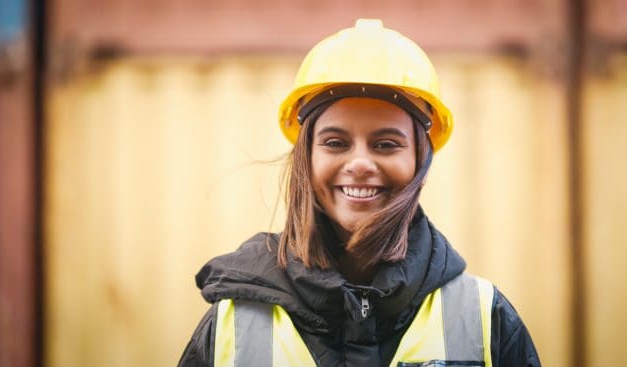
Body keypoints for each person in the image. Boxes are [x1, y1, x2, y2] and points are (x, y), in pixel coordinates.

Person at [179, 19, 540, 367]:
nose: (361, 163)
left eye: (385, 144)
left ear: (421, 161)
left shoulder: (485, 321)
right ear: (306, 159)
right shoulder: (232, 326)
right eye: (336, 142)